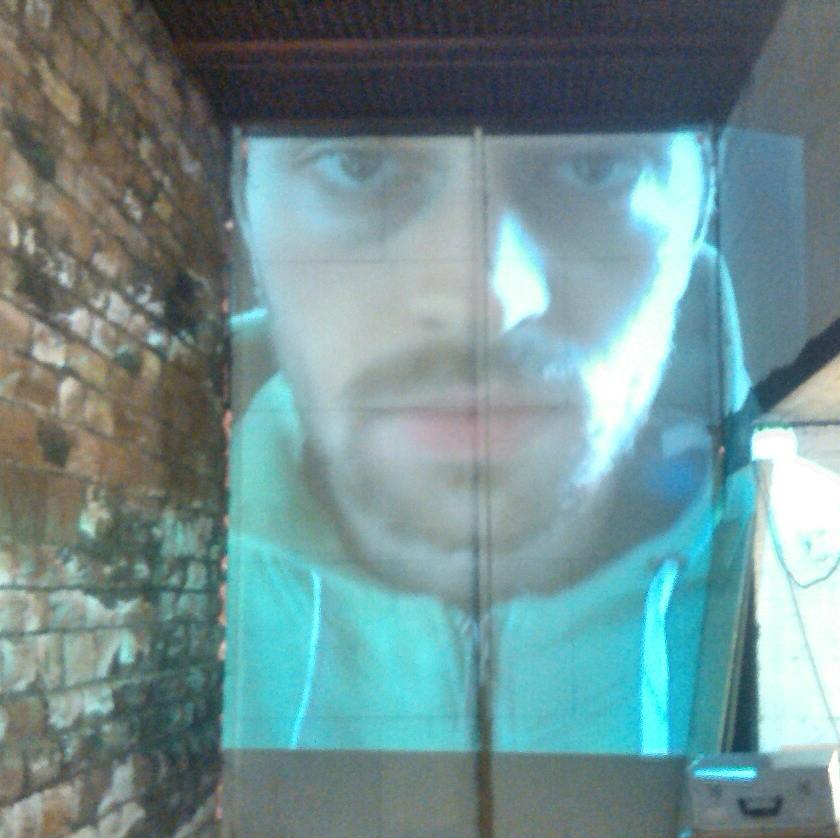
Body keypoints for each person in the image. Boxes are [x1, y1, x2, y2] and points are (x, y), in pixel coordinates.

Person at [223, 130, 753, 755]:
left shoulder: (781, 603)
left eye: (594, 167)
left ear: (698, 220)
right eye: (359, 167)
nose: (488, 305)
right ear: (247, 211)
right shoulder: (150, 599)